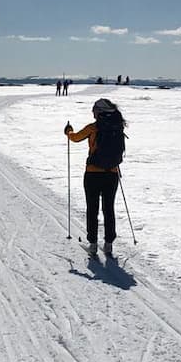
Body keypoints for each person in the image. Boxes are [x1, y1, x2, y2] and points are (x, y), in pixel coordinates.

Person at [65, 98, 127, 254]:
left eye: (94, 110)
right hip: (112, 174)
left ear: (99, 112)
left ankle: (92, 244)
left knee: (92, 208)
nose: (92, 112)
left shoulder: (93, 128)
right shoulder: (117, 127)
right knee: (109, 208)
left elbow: (75, 138)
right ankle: (109, 244)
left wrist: (68, 131)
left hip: (92, 174)